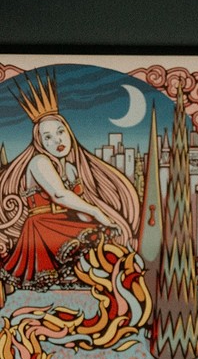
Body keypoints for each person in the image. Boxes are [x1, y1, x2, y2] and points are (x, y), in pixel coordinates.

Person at [0, 73, 140, 303]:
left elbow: (77, 206)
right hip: (43, 228)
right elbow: (59, 194)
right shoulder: (39, 162)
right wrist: (97, 213)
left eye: (60, 132)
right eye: (48, 138)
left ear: (69, 131)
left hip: (66, 222)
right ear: (40, 143)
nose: (57, 141)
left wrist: (98, 220)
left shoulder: (72, 169)